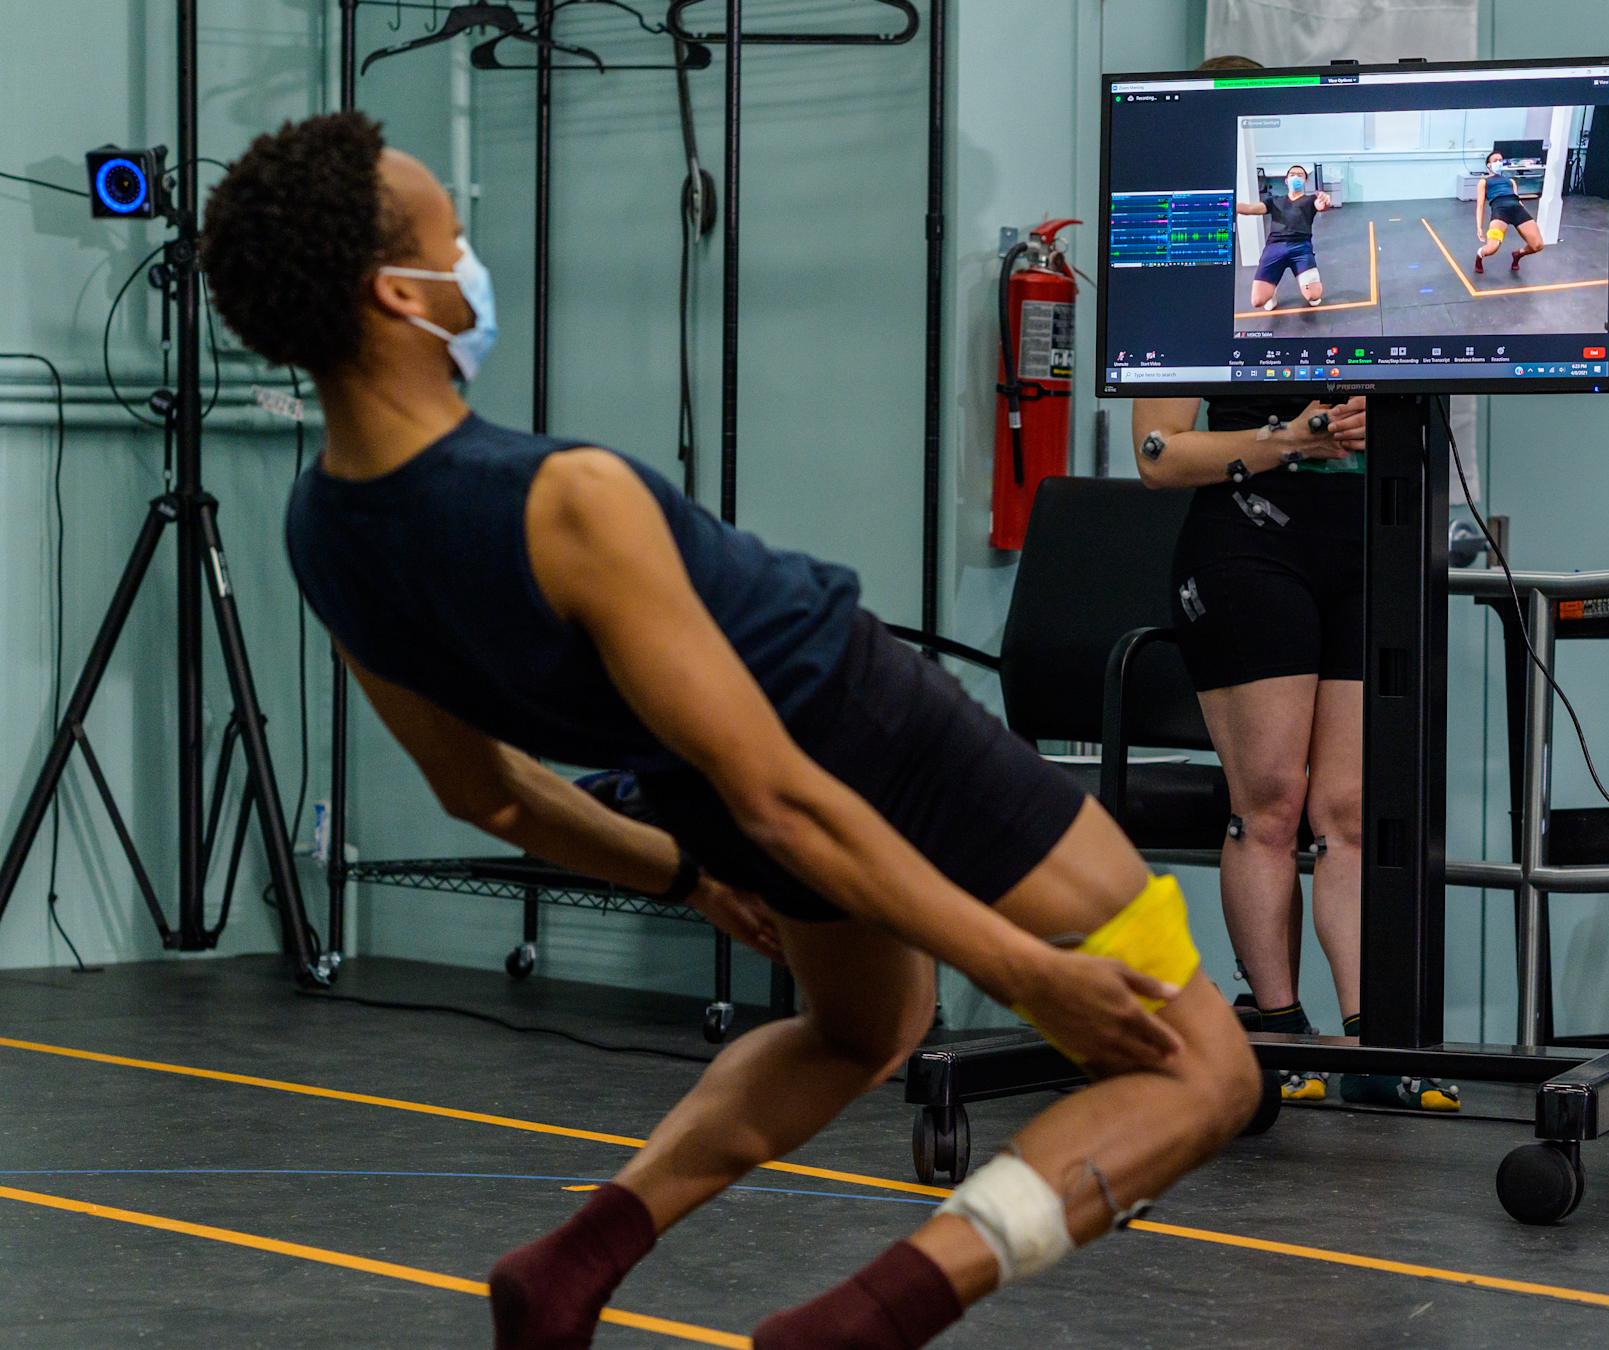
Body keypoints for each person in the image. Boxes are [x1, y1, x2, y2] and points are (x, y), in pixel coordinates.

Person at [198, 111, 1257, 1350]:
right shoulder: (561, 499)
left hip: (709, 792)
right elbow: (793, 797)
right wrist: (1025, 975)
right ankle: (858, 1327)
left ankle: (571, 1263)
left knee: (862, 1031)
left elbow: (488, 800)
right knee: (1203, 1071)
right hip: (872, 736)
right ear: (401, 295)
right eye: (456, 238)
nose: (472, 262)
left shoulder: (323, 534)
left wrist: (691, 874)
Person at [1130, 393, 1460, 1114]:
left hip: (1373, 535)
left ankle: (1372, 1041)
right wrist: (1294, 438)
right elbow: (1158, 455)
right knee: (1270, 804)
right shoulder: (1212, 292)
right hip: (1245, 543)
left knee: (1350, 810)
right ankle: (1280, 1031)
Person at [1237, 164, 1336, 311]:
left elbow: (1321, 206)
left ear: (1305, 180)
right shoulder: (1274, 201)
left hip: (1301, 247)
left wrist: (1325, 202)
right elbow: (1251, 209)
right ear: (1286, 180)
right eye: (1292, 174)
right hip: (1274, 248)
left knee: (1313, 296)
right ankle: (1271, 293)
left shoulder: (1310, 200)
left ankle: (1310, 291)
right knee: (1257, 301)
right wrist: (1232, 205)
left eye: (1300, 175)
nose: (1296, 177)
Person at [1475, 148, 1546, 275]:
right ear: (1489, 165)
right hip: (1500, 212)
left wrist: (1525, 214)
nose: (1499, 162)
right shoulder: (1484, 181)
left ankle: (1517, 255)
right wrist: (1479, 228)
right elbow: (1480, 206)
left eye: (1501, 160)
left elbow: (1517, 199)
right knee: (1491, 249)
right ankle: (1479, 256)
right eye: (1495, 160)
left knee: (1538, 245)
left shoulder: (1511, 181)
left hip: (1517, 210)